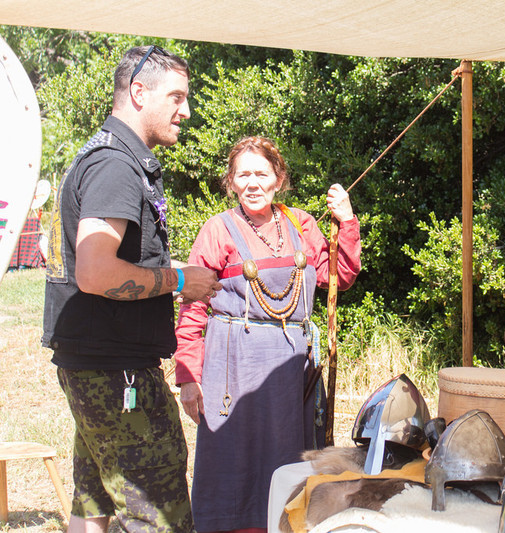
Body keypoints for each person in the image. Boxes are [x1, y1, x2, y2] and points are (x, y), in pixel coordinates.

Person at [42, 45, 222, 532]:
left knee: (93, 499)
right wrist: (181, 280)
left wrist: (175, 271)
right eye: (177, 97)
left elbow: (113, 259)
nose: (186, 111)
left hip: (94, 366)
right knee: (156, 514)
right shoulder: (117, 166)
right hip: (117, 374)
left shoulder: (105, 154)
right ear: (138, 93)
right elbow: (96, 272)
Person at [174, 136, 362, 532]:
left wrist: (346, 220)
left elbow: (338, 277)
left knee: (288, 460)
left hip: (292, 373)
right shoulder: (218, 229)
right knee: (233, 463)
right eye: (243, 174)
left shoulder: (301, 224)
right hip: (232, 370)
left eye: (261, 173)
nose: (252, 183)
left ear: (279, 179)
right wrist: (189, 377)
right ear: (231, 181)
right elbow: (192, 306)